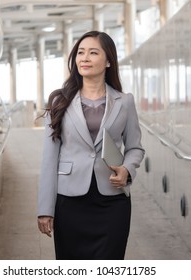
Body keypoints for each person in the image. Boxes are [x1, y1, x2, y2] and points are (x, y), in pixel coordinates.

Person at [37, 30, 145, 260]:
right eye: (80, 52)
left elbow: (135, 147)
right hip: (70, 201)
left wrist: (127, 169)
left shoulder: (124, 102)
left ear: (108, 61)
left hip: (112, 200)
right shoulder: (60, 101)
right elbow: (49, 159)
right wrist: (45, 209)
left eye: (93, 52)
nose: (84, 58)